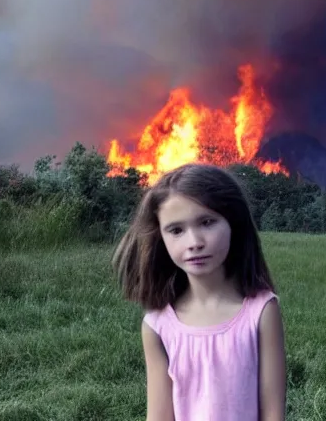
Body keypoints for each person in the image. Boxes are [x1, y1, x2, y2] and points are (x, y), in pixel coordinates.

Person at [112, 163, 286, 421]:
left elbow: (273, 413)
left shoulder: (261, 311)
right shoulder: (157, 325)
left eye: (207, 222)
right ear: (161, 237)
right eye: (176, 230)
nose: (194, 242)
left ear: (233, 223)